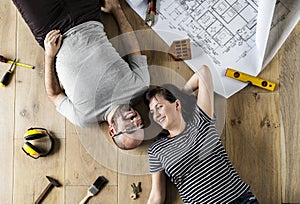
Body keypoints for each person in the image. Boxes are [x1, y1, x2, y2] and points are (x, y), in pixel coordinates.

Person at [12, 0, 150, 149]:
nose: (136, 121)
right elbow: (132, 49)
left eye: (131, 129)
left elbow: (54, 95)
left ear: (112, 130)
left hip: (51, 30)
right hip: (87, 15)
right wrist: (117, 10)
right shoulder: (141, 86)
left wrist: (49, 55)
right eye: (140, 125)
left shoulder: (83, 118)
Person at [145, 65, 259, 203]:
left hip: (238, 200)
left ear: (177, 105)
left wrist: (180, 94)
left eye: (159, 107)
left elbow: (203, 73)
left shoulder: (200, 121)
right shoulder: (156, 149)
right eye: (152, 112)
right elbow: (156, 195)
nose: (156, 115)